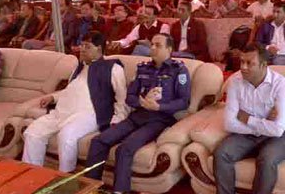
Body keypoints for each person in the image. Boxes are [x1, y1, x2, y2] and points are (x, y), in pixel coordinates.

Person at [85, 34, 191, 194]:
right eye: (152, 44)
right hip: (137, 116)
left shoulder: (179, 70)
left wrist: (159, 107)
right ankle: (90, 188)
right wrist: (141, 102)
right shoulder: (143, 68)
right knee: (99, 141)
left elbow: (184, 101)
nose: (152, 48)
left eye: (158, 45)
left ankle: (120, 191)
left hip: (159, 120)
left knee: (125, 149)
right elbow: (130, 97)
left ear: (169, 49)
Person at [22, 32, 128, 173]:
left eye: (87, 46)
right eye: (81, 45)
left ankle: (65, 178)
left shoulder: (113, 68)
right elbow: (71, 89)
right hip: (61, 112)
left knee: (66, 137)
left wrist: (116, 121)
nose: (82, 49)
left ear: (99, 48)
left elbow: (122, 98)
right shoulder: (79, 68)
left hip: (89, 114)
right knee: (32, 133)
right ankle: (33, 176)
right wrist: (53, 97)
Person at [213, 44, 285, 194]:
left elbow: (278, 130)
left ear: (263, 65)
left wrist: (248, 119)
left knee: (266, 160)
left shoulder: (280, 85)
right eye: (241, 61)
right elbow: (229, 123)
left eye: (249, 63)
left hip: (277, 137)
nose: (243, 67)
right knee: (221, 153)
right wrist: (264, 124)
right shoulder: (235, 82)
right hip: (246, 135)